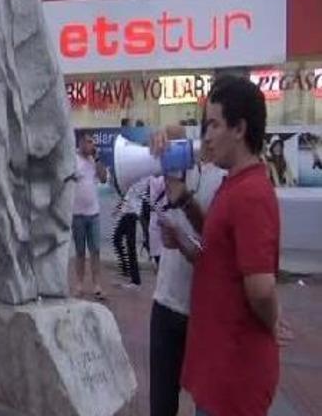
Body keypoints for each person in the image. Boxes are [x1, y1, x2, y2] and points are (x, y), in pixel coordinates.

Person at [163, 76, 286, 415]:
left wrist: (273, 320)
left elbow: (260, 289)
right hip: (220, 371)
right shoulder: (235, 185)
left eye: (214, 125)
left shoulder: (250, 195)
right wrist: (185, 202)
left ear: (239, 128)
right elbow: (217, 252)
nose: (206, 137)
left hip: (234, 378)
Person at [147, 126, 225, 416]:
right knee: (162, 405)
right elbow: (169, 131)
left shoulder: (227, 179)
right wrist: (158, 137)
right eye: (210, 123)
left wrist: (182, 240)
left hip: (204, 312)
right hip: (166, 305)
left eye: (219, 123)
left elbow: (217, 250)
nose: (211, 134)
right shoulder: (182, 160)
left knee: (206, 404)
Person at [71, 132, 107, 298]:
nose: (91, 145)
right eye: (88, 142)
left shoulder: (94, 161)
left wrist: (97, 159)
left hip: (93, 213)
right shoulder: (73, 160)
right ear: (80, 143)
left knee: (95, 251)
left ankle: (97, 285)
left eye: (92, 142)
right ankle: (79, 284)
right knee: (80, 252)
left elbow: (104, 178)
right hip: (77, 213)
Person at [112, 177, 147, 288]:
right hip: (127, 212)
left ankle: (135, 279)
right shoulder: (133, 177)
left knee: (129, 245)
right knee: (117, 239)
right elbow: (128, 194)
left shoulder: (143, 179)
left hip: (132, 213)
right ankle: (128, 270)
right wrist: (119, 207)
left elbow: (136, 193)